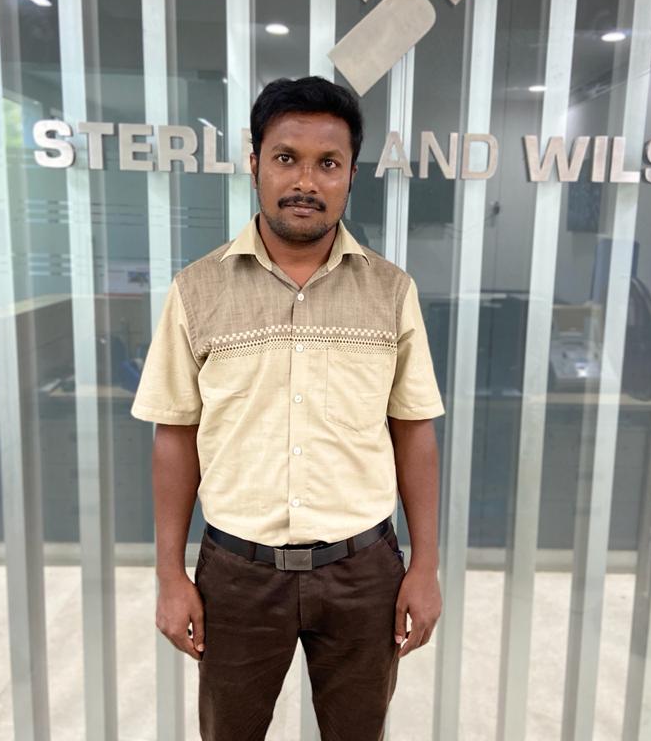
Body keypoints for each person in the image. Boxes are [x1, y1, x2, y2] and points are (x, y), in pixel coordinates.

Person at [131, 76, 445, 741]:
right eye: (285, 158)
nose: (305, 180)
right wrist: (169, 575)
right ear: (254, 164)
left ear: (351, 174)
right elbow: (174, 436)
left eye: (328, 163)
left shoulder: (391, 292)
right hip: (236, 574)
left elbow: (414, 429)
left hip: (363, 573)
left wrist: (424, 566)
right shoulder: (197, 290)